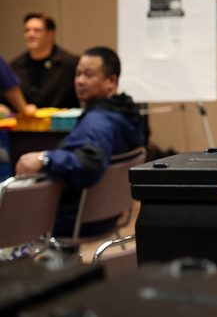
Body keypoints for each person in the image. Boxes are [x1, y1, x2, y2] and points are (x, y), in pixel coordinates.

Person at [15, 47, 145, 237]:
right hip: (108, 216)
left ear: (111, 81)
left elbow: (89, 163)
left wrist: (45, 159)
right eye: (78, 74)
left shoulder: (98, 122)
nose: (79, 81)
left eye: (88, 75)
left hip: (71, 220)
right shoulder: (126, 115)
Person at [9, 12, 79, 109]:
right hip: (27, 122)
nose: (30, 34)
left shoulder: (70, 64)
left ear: (50, 34)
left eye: (36, 30)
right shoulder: (15, 66)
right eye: (27, 30)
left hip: (62, 122)